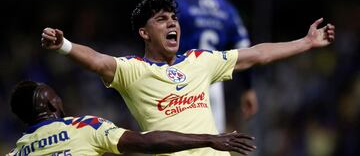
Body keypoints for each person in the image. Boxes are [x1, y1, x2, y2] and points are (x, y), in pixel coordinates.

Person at [41, 0, 335, 156]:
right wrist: (63, 45)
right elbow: (96, 61)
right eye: (161, 19)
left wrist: (306, 42)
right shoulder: (133, 70)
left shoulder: (199, 61)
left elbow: (257, 54)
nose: (172, 23)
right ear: (145, 33)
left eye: (174, 18)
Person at [7, 80, 256, 156]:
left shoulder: (16, 152)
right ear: (53, 103)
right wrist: (209, 139)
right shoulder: (83, 126)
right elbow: (147, 142)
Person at [165, 0, 258, 132]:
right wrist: (248, 88)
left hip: (180, 83)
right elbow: (244, 47)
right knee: (212, 145)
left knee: (176, 146)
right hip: (214, 85)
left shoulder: (173, 1)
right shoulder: (226, 7)